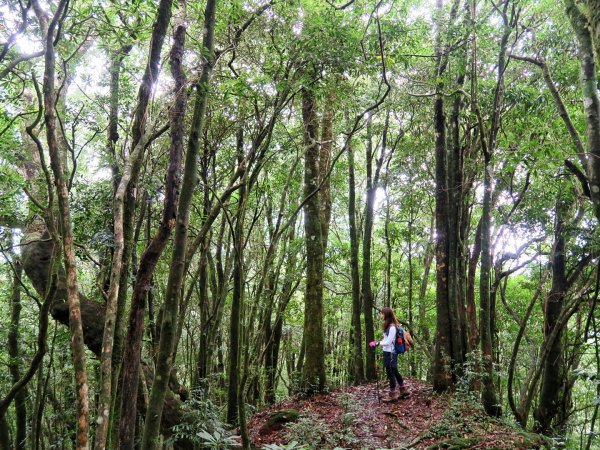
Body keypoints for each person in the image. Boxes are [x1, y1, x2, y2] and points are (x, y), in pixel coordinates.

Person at [369, 306, 408, 400]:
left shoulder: (392, 327)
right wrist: (378, 342)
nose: (381, 315)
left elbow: (389, 342)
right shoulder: (387, 325)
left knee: (390, 372)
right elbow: (385, 339)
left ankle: (393, 394)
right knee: (394, 370)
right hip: (387, 352)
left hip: (391, 352)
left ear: (386, 314)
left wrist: (377, 343)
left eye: (382, 313)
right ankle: (403, 390)